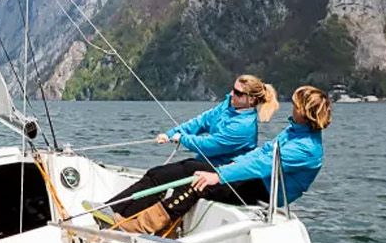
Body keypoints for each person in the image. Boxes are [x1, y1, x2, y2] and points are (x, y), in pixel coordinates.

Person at [99, 85, 330, 235]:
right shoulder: (295, 131)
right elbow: (261, 154)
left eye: (296, 105)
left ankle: (140, 227)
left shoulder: (306, 148)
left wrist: (218, 175)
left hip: (264, 190)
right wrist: (227, 169)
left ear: (305, 111)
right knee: (192, 172)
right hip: (257, 179)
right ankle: (131, 215)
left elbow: (261, 164)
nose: (293, 107)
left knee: (199, 185)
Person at [90, 74, 277, 224]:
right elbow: (202, 121)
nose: (232, 93)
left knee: (160, 176)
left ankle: (116, 215)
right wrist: (171, 133)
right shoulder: (229, 104)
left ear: (251, 100)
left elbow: (211, 145)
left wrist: (183, 139)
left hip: (221, 171)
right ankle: (116, 213)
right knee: (157, 175)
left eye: (238, 93)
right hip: (205, 163)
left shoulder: (244, 126)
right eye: (233, 89)